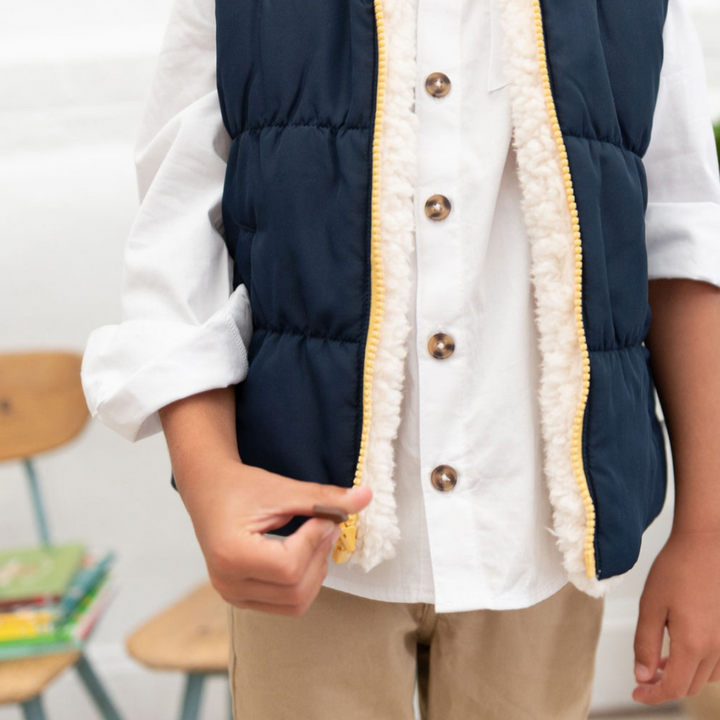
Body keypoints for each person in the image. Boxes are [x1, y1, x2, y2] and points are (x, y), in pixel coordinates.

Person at [81, 0, 720, 716]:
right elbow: (177, 237)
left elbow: (681, 242)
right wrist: (211, 484)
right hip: (309, 540)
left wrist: (707, 530)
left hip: (540, 543)